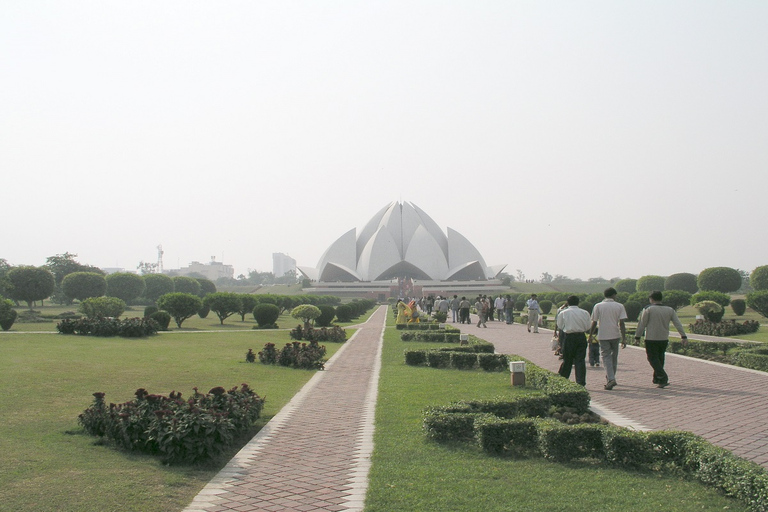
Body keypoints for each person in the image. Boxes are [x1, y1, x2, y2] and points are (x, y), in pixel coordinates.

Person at [634, 290, 688, 388]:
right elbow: (677, 323)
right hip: (663, 337)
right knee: (660, 358)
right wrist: (683, 335)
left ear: (651, 299)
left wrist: (637, 336)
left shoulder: (648, 309)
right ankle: (658, 379)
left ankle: (662, 376)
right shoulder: (670, 309)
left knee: (652, 358)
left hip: (651, 337)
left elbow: (642, 324)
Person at [588, 287, 628, 390]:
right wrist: (624, 338)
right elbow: (622, 323)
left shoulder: (598, 306)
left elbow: (594, 322)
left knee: (606, 357)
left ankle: (611, 378)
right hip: (615, 334)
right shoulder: (619, 306)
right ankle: (611, 377)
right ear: (614, 295)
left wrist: (590, 335)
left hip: (603, 335)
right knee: (614, 357)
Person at [556, 295, 592, 386]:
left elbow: (560, 326)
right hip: (581, 336)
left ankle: (563, 380)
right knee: (580, 360)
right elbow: (588, 326)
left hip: (569, 337)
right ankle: (580, 382)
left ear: (567, 303)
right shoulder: (585, 313)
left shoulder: (564, 313)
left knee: (567, 359)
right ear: (578, 302)